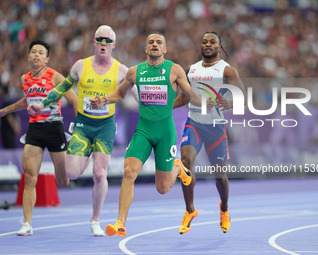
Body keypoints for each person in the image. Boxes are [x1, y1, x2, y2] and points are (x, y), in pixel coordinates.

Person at [89, 32, 202, 237]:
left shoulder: (174, 69)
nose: (155, 44)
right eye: (151, 42)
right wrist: (104, 100)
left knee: (163, 188)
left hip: (165, 133)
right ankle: (120, 223)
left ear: (165, 49)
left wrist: (202, 103)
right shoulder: (135, 71)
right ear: (146, 49)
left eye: (159, 42)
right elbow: (120, 94)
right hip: (143, 130)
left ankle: (178, 168)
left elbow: (189, 95)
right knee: (129, 172)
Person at [27, 25, 131, 237]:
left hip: (105, 126)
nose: (103, 43)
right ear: (94, 42)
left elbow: (139, 95)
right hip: (83, 125)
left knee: (99, 173)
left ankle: (95, 219)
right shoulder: (80, 66)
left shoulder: (122, 70)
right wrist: (42, 104)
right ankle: (74, 139)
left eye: (107, 41)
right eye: (100, 39)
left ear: (114, 45)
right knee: (72, 173)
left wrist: (157, 110)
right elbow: (62, 88)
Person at [0, 39, 78, 235]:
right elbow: (26, 100)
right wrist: (5, 110)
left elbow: (74, 99)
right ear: (28, 56)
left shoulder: (56, 77)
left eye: (40, 52)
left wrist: (79, 126)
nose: (36, 55)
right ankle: (27, 223)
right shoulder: (24, 78)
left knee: (63, 180)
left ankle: (73, 163)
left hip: (54, 129)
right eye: (33, 51)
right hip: (35, 130)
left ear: (47, 58)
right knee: (29, 177)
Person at [173, 32, 246, 234]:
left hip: (215, 127)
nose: (207, 44)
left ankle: (224, 209)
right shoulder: (192, 70)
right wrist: (164, 108)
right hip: (194, 123)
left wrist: (227, 103)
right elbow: (184, 98)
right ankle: (190, 210)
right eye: (204, 41)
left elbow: (243, 96)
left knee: (219, 175)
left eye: (212, 42)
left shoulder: (227, 71)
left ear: (219, 46)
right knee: (185, 164)